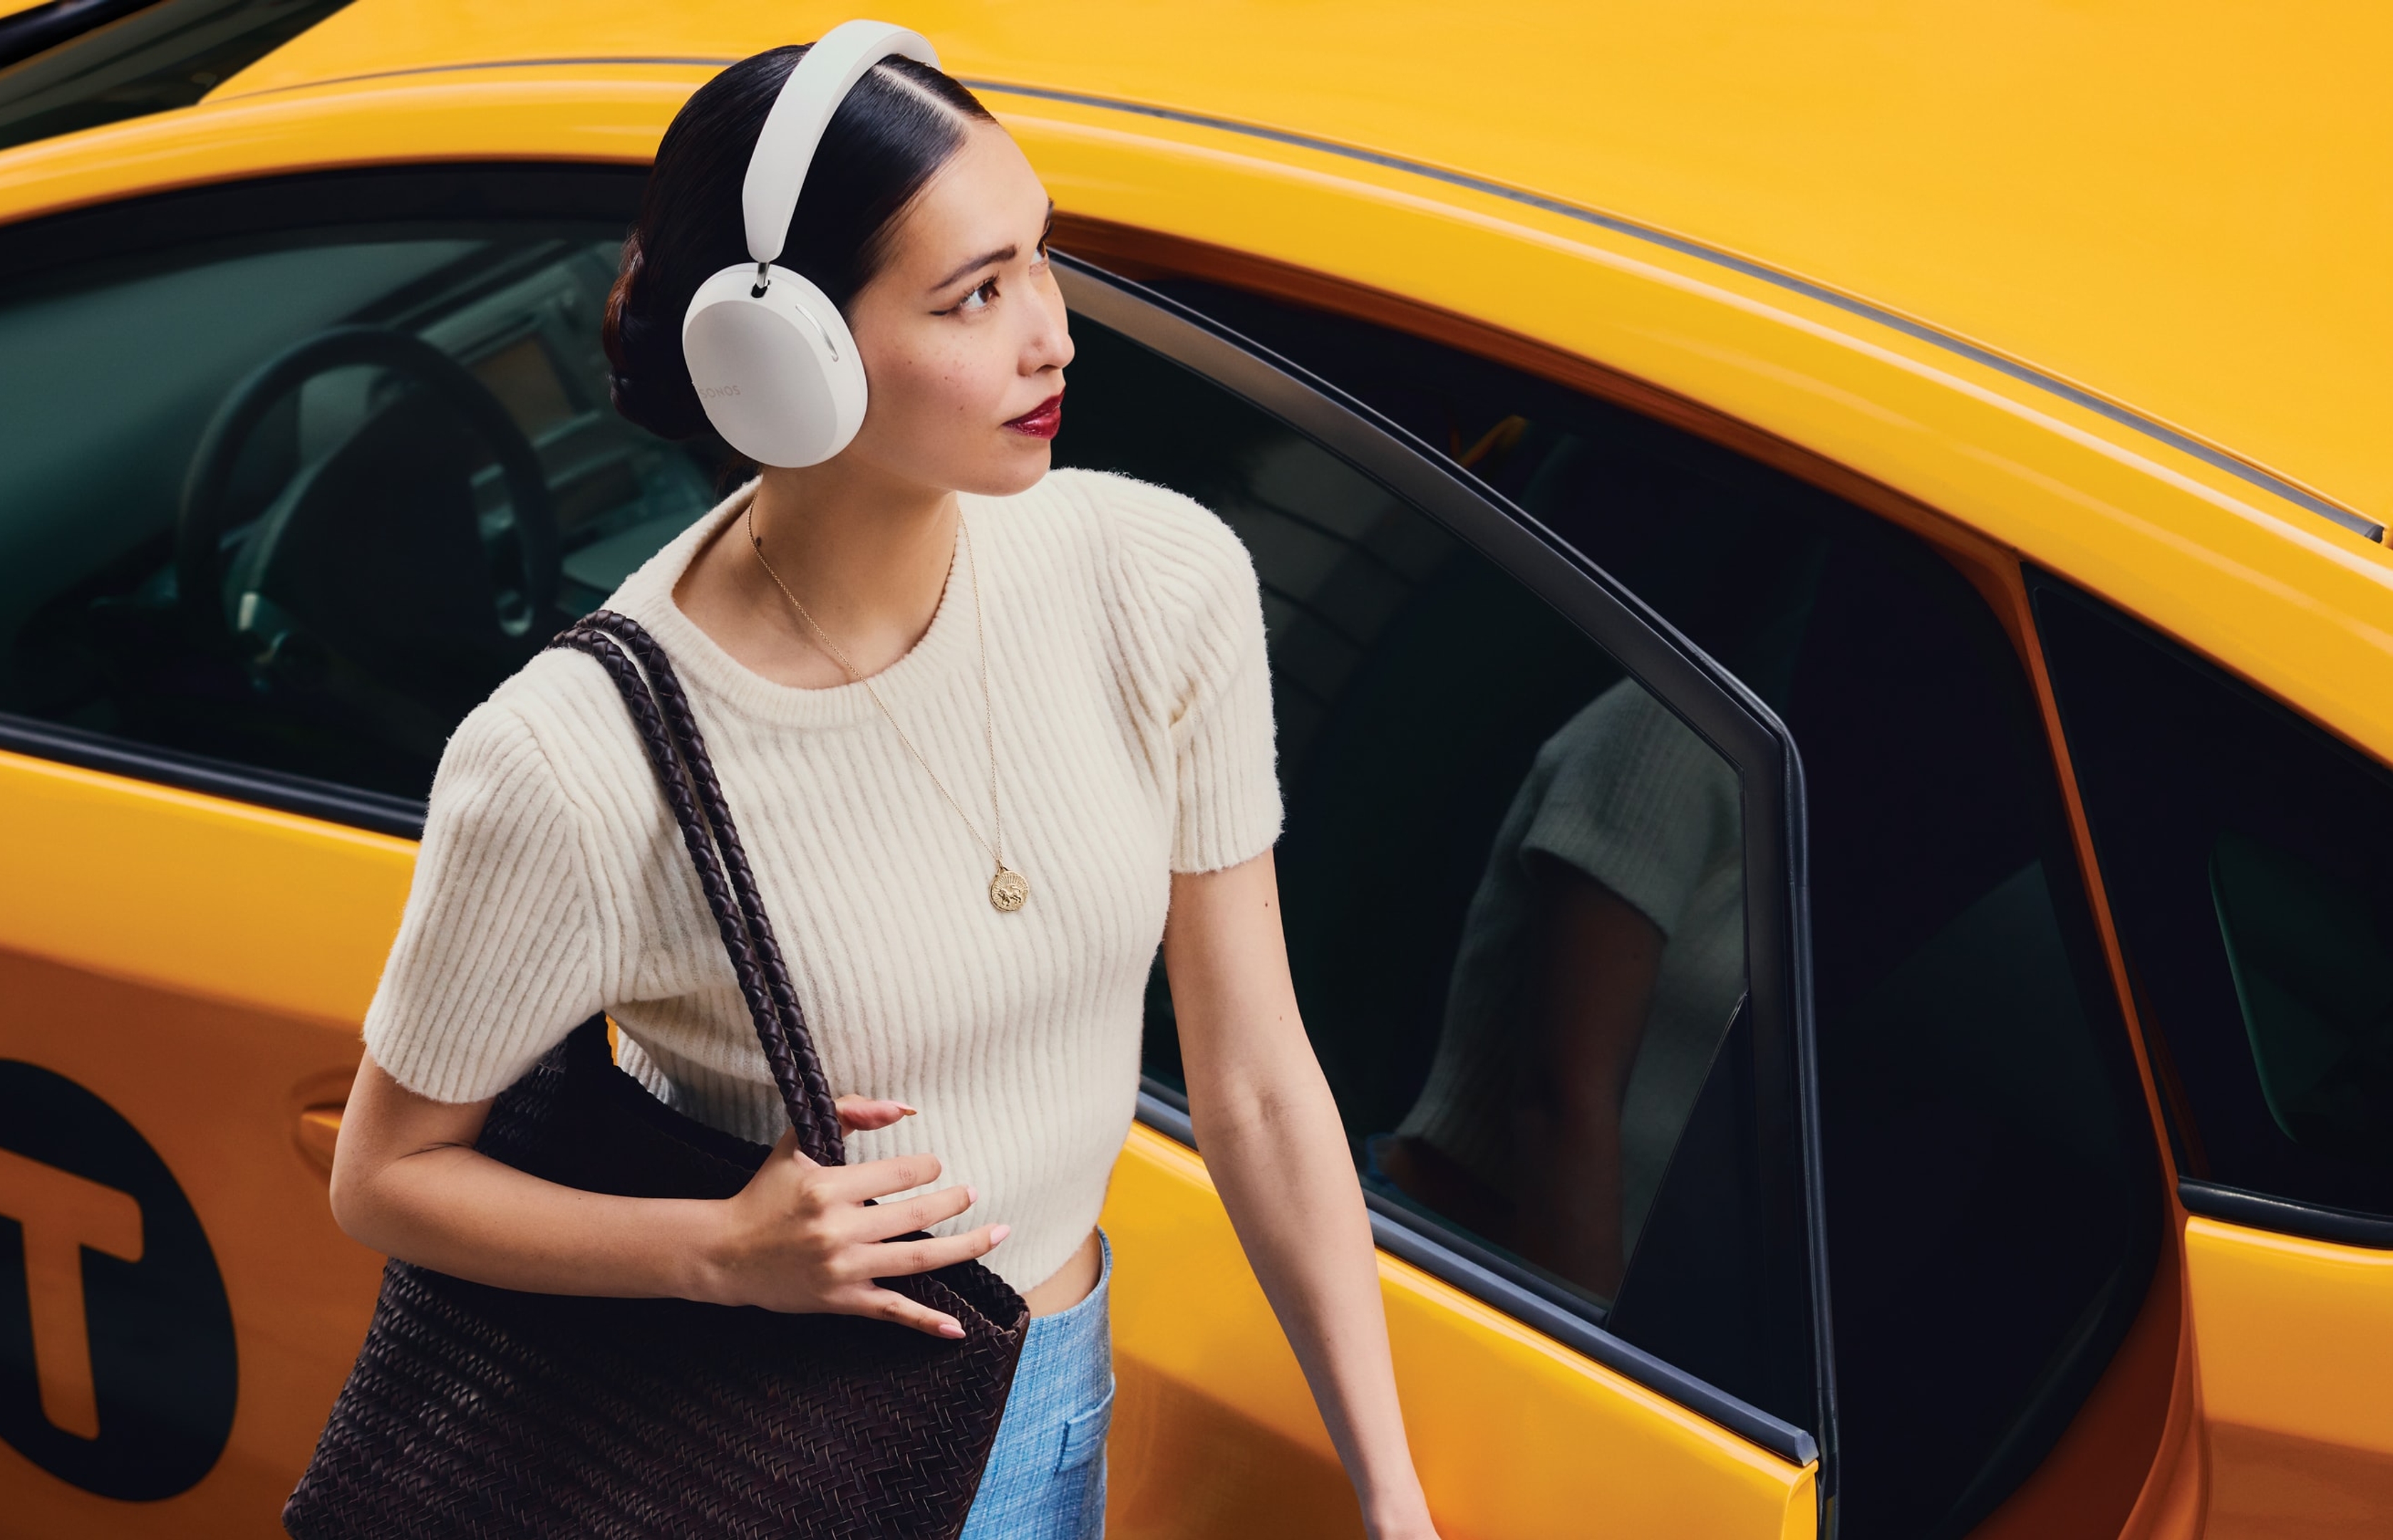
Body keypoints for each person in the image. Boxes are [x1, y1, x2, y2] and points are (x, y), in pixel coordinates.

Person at [324, 38, 1440, 1540]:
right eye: (975, 295)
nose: (1052, 336)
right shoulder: (578, 765)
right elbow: (386, 1178)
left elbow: (1251, 1078)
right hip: (775, 1453)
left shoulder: (1158, 582)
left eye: (1040, 260)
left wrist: (1394, 1493)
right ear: (792, 356)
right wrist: (723, 1248)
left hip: (1053, 1382)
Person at [1374, 678, 1745, 1300]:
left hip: (1549, 1300)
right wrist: (1595, 1367)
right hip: (1441, 1260)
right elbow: (1562, 1099)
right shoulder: (1677, 729)